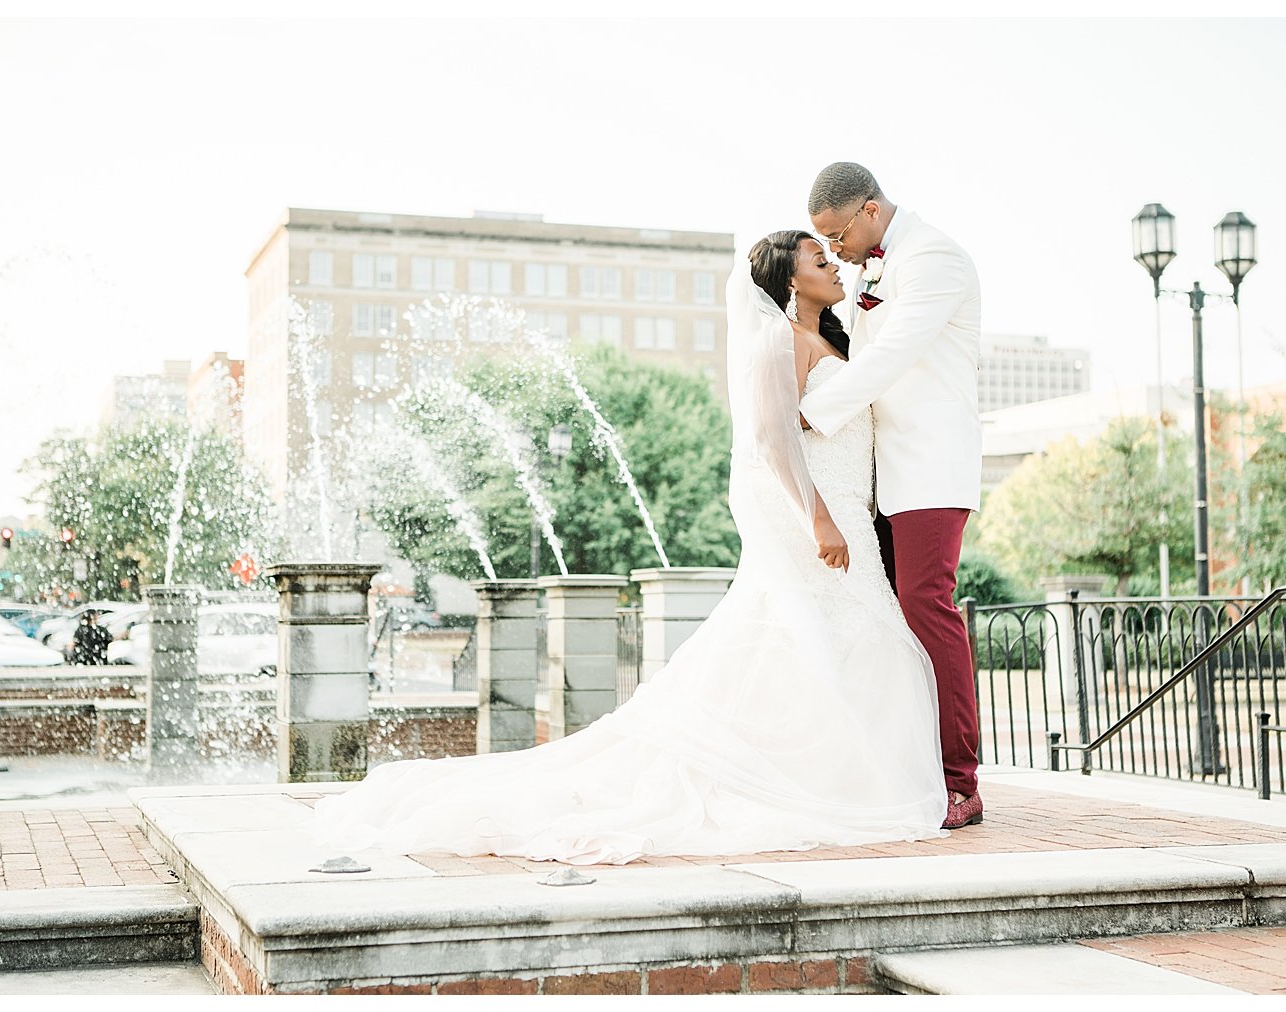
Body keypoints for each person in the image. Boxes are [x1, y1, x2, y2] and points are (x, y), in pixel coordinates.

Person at [313, 230, 948, 865]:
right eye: (818, 258)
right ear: (788, 278)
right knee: (811, 637)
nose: (833, 265)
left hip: (850, 514)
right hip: (814, 518)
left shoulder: (833, 340)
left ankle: (829, 776)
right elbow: (769, 438)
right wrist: (818, 519)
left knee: (845, 641)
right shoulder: (776, 340)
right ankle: (792, 779)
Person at [798, 162, 985, 830]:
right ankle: (903, 768)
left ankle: (959, 782)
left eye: (837, 235)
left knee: (928, 609)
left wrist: (811, 413)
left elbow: (891, 356)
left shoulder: (934, 258)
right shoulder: (874, 266)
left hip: (930, 467)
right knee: (885, 619)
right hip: (877, 472)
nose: (835, 250)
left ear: (870, 211)